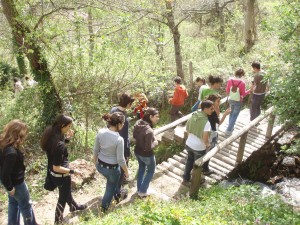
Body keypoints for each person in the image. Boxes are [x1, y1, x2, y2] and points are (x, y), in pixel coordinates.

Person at [40, 115, 86, 224]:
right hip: (61, 175)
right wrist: (74, 171)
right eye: (69, 126)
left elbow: (56, 149)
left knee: (66, 192)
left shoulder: (51, 134)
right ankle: (58, 221)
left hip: (53, 173)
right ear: (62, 125)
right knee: (62, 198)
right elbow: (57, 167)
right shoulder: (59, 144)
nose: (70, 128)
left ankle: (74, 206)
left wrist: (67, 139)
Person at [0, 120, 39, 225]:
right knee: (26, 206)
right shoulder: (11, 152)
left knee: (13, 203)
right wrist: (10, 187)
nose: (25, 137)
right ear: (18, 134)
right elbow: (5, 174)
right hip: (17, 184)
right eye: (24, 134)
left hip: (12, 182)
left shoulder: (3, 144)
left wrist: (8, 186)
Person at [93, 112, 129, 211]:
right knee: (110, 187)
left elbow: (96, 150)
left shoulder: (101, 132)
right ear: (119, 124)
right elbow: (120, 159)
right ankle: (104, 208)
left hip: (100, 166)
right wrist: (126, 172)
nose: (123, 125)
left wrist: (95, 163)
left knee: (111, 183)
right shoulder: (119, 139)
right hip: (112, 169)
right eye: (123, 123)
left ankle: (117, 194)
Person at [182, 100, 214, 183]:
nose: (212, 110)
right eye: (211, 109)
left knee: (189, 160)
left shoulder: (193, 115)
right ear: (205, 109)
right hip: (199, 148)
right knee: (198, 165)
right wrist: (208, 145)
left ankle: (186, 177)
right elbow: (205, 138)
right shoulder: (206, 122)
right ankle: (196, 181)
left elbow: (187, 129)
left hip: (189, 144)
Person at [110, 93, 135, 197]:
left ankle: (116, 185)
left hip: (111, 142)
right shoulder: (123, 116)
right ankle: (118, 192)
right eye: (131, 104)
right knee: (121, 167)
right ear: (128, 103)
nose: (131, 106)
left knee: (115, 167)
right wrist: (127, 151)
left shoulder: (113, 110)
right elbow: (124, 136)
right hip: (121, 145)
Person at [133, 108, 160, 197]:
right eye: (156, 116)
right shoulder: (149, 131)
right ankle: (143, 191)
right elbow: (148, 148)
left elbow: (134, 137)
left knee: (141, 168)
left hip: (137, 151)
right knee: (151, 170)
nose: (158, 118)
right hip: (146, 155)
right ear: (150, 117)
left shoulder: (138, 123)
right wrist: (155, 143)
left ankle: (139, 189)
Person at [203, 94, 231, 174]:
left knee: (207, 149)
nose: (219, 102)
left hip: (208, 131)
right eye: (218, 101)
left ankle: (203, 166)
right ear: (213, 102)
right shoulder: (213, 111)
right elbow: (219, 122)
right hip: (212, 132)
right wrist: (225, 114)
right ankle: (205, 168)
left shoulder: (208, 108)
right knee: (210, 150)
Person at [225, 68, 252, 135]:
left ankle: (231, 127)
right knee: (234, 115)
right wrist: (250, 90)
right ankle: (228, 130)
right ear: (242, 75)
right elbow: (243, 94)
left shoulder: (230, 80)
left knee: (231, 114)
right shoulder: (242, 83)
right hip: (238, 101)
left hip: (231, 100)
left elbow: (227, 91)